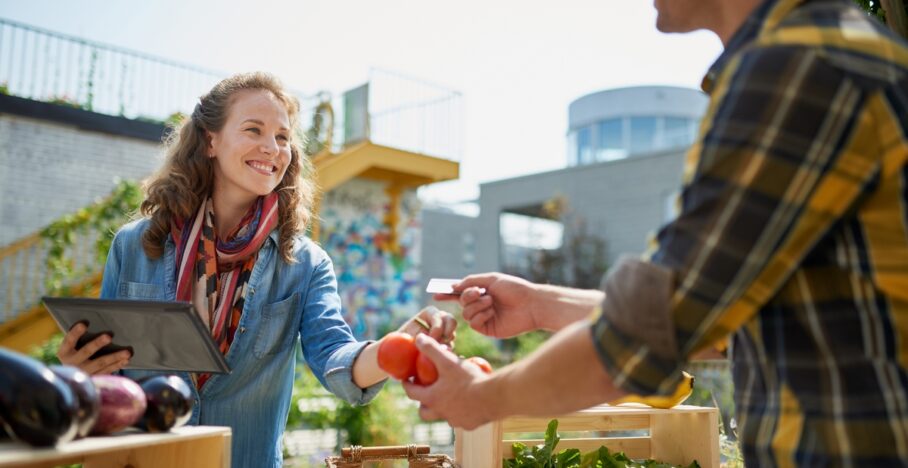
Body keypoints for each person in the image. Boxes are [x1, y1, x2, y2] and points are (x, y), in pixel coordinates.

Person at [404, 0, 908, 465]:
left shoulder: (794, 69)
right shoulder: (832, 52)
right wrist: (538, 306)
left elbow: (651, 327)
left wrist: (480, 398)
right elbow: (714, 319)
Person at [55, 72, 457, 468]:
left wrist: (396, 348)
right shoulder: (134, 245)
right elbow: (109, 380)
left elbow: (336, 358)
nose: (273, 148)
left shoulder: (305, 264)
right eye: (254, 130)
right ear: (210, 140)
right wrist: (79, 373)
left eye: (283, 137)